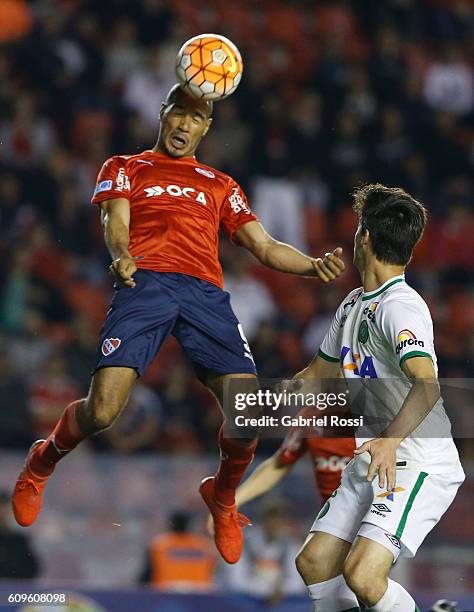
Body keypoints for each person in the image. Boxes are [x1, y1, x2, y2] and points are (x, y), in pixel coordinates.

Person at [12, 84, 345, 566]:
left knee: (249, 415)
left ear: (207, 127)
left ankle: (223, 497)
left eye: (196, 117)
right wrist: (123, 255)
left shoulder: (220, 183)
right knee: (103, 411)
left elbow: (265, 246)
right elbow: (114, 222)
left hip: (204, 294)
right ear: (163, 114)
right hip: (145, 284)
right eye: (178, 112)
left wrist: (312, 265)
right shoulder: (125, 166)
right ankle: (41, 462)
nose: (185, 124)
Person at [293, 184, 464, 611]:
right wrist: (252, 400)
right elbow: (318, 374)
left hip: (419, 457)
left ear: (364, 236)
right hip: (376, 458)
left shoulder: (400, 306)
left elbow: (427, 383)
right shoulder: (354, 304)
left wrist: (389, 439)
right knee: (314, 562)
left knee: (364, 574)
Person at [140, 510, 216, 592]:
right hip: (200, 594)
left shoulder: (158, 546)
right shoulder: (205, 547)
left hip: (166, 594)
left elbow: (147, 575)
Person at [0, 491, 39, 579]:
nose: (1, 512)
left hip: (12, 591)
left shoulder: (18, 541)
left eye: (4, 507)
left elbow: (31, 571)